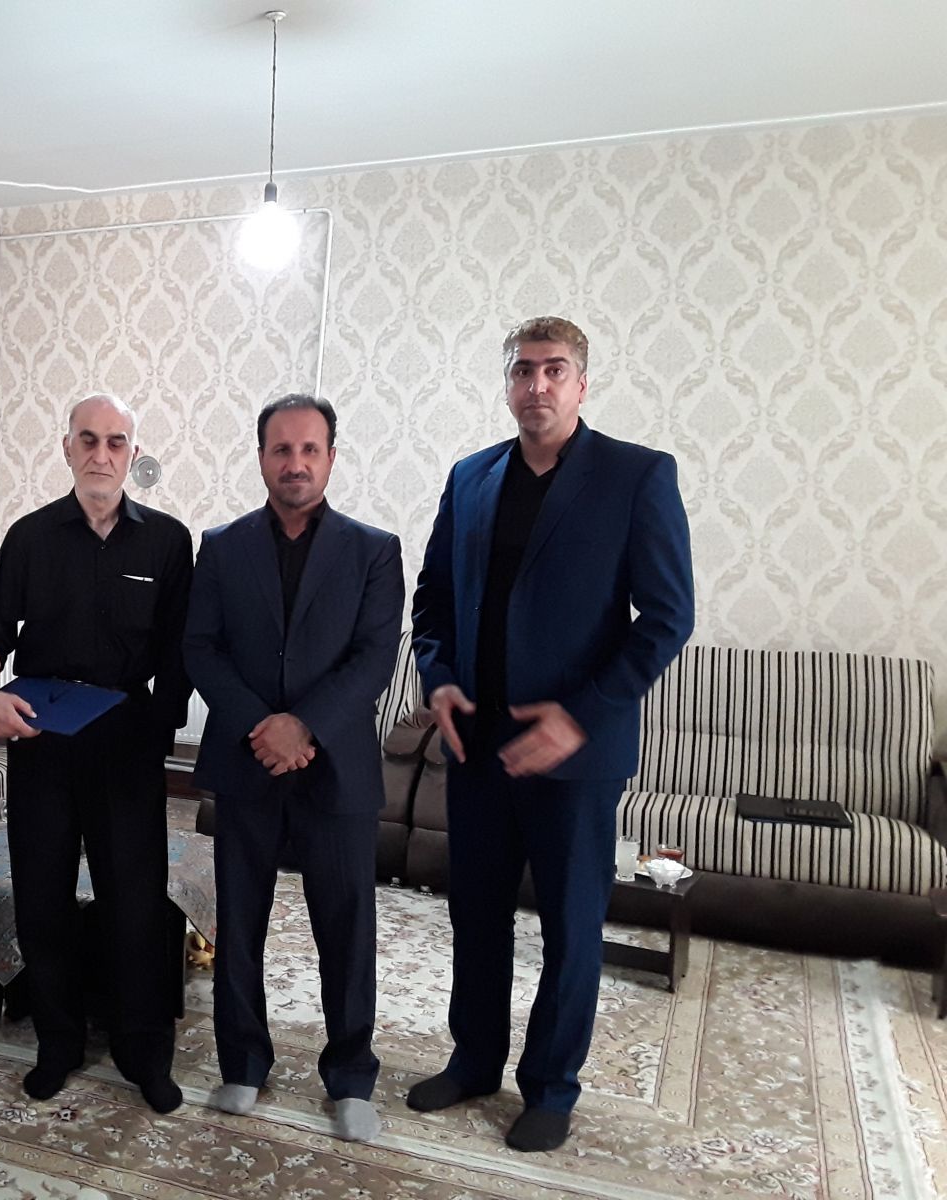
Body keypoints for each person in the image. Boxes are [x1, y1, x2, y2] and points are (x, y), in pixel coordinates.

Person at [407, 315, 694, 1152]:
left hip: (576, 754)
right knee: (477, 917)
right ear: (507, 383)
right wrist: (439, 679)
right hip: (478, 746)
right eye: (522, 370)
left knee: (570, 931)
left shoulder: (637, 476)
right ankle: (473, 1062)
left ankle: (552, 1087)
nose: (536, 384)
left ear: (581, 383)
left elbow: (667, 617)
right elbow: (432, 598)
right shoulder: (470, 476)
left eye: (554, 370)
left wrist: (581, 713)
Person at [184, 393, 403, 1144]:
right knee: (240, 924)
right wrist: (263, 727)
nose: (296, 463)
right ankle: (243, 1063)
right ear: (261, 458)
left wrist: (302, 726)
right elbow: (201, 647)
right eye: (282, 449)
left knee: (346, 929)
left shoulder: (373, 550)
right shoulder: (222, 546)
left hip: (335, 767)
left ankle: (351, 1076)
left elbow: (373, 657)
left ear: (332, 458)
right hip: (248, 763)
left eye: (310, 449)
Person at [0, 393, 192, 1114]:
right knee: (42, 898)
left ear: (133, 454)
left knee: (137, 904)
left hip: (127, 744)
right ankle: (57, 1043)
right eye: (88, 440)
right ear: (67, 448)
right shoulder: (29, 538)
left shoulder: (167, 542)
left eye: (116, 442)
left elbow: (179, 652)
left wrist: (158, 731)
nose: (101, 454)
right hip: (44, 742)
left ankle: (143, 1050)